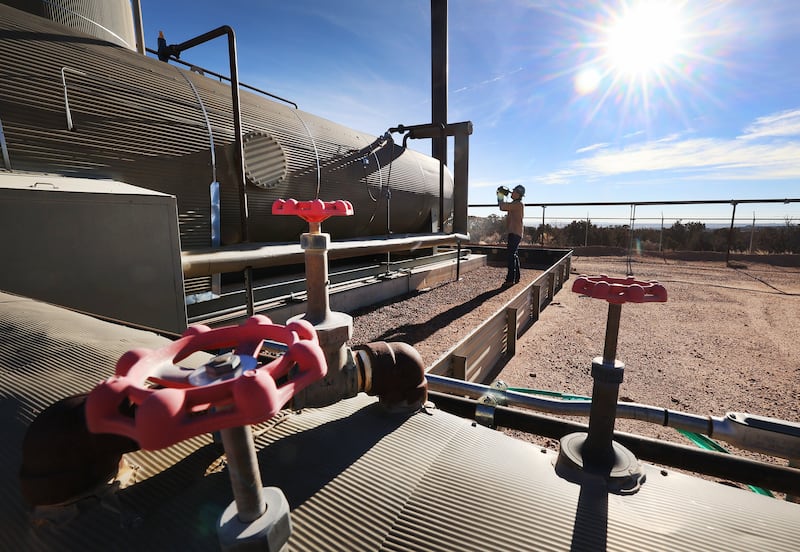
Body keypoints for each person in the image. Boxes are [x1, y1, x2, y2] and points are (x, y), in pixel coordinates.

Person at [496, 184, 526, 285]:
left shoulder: (518, 204)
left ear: (519, 195)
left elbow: (502, 207)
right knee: (514, 255)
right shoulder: (516, 204)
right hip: (515, 232)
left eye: (514, 192)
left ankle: (510, 280)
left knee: (511, 256)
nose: (512, 193)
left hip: (515, 233)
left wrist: (500, 195)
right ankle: (516, 277)